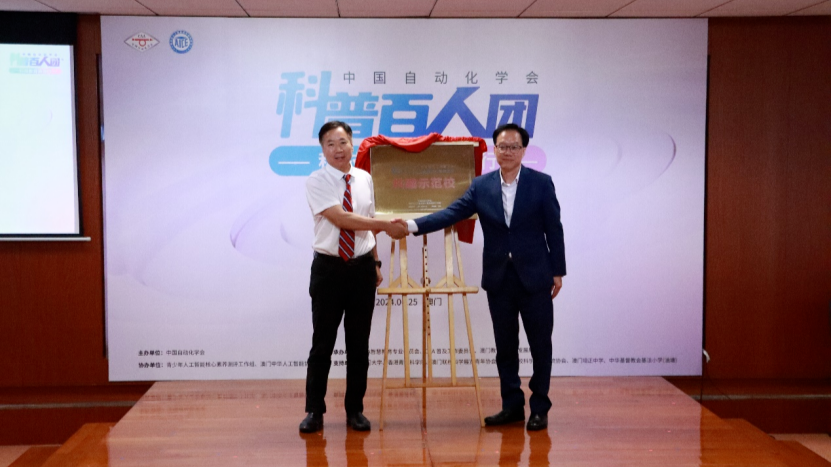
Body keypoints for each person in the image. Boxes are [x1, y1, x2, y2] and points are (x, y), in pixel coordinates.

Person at [395, 123, 565, 431]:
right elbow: (452, 213)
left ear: (523, 150)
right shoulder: (481, 186)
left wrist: (557, 270)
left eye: (514, 146)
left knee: (540, 345)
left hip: (536, 277)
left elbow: (554, 228)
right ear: (494, 150)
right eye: (502, 146)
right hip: (500, 279)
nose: (508, 151)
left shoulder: (541, 183)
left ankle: (540, 407)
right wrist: (410, 226)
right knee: (505, 346)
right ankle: (511, 406)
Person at [300, 120, 407, 433]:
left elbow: (367, 223)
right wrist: (387, 225)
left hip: (361, 269)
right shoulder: (317, 180)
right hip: (329, 270)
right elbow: (343, 219)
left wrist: (375, 262)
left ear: (352, 144)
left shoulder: (364, 178)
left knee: (359, 345)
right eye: (330, 144)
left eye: (343, 142)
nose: (338, 149)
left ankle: (355, 410)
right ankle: (314, 411)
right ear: (323, 149)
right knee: (322, 344)